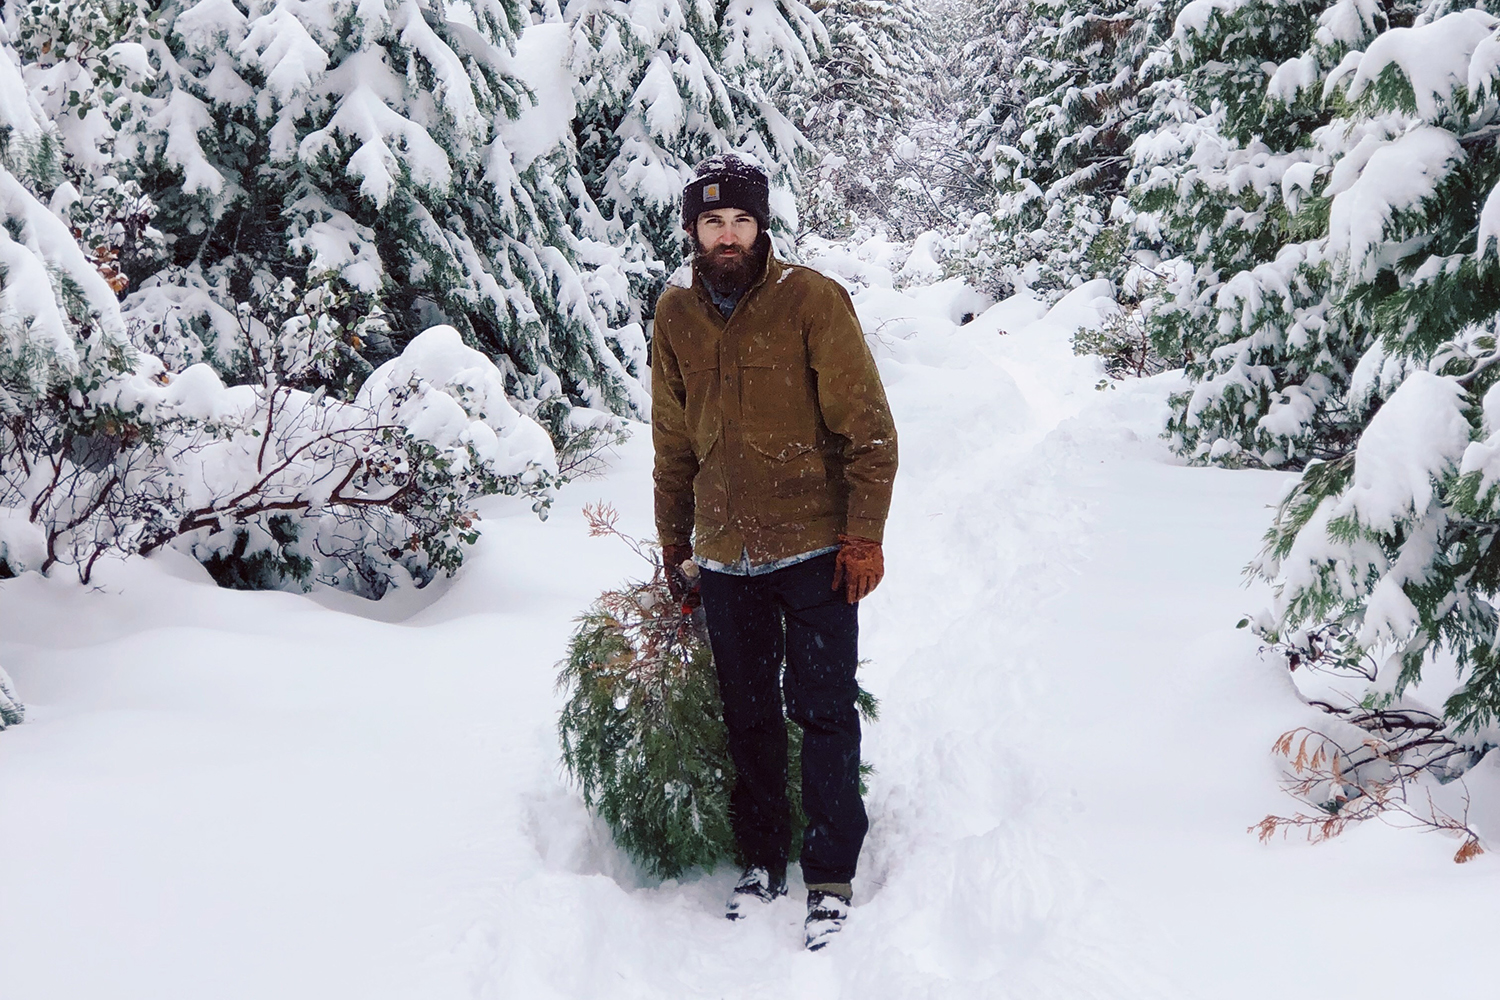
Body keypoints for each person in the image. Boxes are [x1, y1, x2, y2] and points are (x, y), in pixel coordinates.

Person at [650, 152, 898, 951]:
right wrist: (673, 542)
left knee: (823, 711)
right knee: (749, 717)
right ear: (694, 231)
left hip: (814, 550)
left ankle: (829, 874)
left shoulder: (810, 301)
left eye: (742, 221)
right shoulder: (675, 317)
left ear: (762, 228)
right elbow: (671, 444)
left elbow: (870, 433)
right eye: (713, 222)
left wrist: (863, 534)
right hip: (725, 556)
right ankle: (762, 861)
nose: (728, 236)